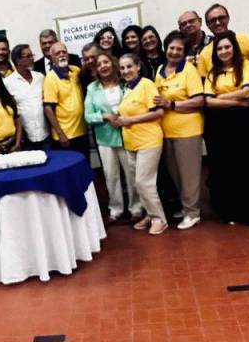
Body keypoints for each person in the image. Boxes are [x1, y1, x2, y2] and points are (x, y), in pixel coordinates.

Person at [203, 31, 249, 225]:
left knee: (248, 167)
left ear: (234, 48)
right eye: (220, 48)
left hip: (246, 123)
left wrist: (220, 97)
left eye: (227, 47)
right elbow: (208, 102)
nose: (224, 51)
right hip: (221, 125)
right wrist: (237, 100)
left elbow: (248, 91)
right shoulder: (212, 73)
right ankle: (231, 212)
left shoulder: (245, 65)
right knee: (227, 168)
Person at [154, 31, 206, 230]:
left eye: (179, 49)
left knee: (189, 175)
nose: (174, 52)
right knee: (175, 174)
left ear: (184, 52)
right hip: (166, 131)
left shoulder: (189, 70)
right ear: (166, 48)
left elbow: (199, 100)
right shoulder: (160, 70)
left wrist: (172, 104)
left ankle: (193, 213)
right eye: (171, 48)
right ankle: (186, 207)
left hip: (187, 130)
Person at [85, 52, 141, 222]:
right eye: (99, 64)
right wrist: (106, 116)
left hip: (127, 135)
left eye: (106, 62)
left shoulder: (125, 83)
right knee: (111, 176)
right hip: (105, 138)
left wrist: (124, 118)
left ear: (113, 63)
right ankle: (116, 209)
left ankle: (136, 207)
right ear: (96, 69)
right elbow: (88, 116)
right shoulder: (92, 88)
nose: (103, 66)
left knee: (132, 174)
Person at [117, 53, 168, 235]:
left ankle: (159, 219)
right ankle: (149, 214)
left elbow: (158, 112)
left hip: (148, 141)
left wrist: (130, 120)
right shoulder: (127, 88)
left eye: (129, 66)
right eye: (122, 68)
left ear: (138, 66)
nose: (126, 71)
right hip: (132, 143)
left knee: (144, 182)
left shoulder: (146, 84)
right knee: (138, 184)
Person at [43, 42, 90, 157]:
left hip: (82, 131)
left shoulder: (75, 71)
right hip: (65, 135)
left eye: (64, 52)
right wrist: (60, 134)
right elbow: (48, 108)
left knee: (85, 164)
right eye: (57, 53)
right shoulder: (50, 78)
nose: (61, 55)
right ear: (52, 58)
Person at [198, 4, 249, 76]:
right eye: (212, 20)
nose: (217, 22)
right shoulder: (204, 54)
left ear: (228, 18)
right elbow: (205, 80)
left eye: (221, 18)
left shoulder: (247, 39)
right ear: (207, 24)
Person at [5, 44, 50, 150]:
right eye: (28, 56)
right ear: (18, 60)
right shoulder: (8, 83)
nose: (32, 59)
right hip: (25, 139)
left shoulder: (40, 77)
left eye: (32, 55)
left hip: (46, 135)